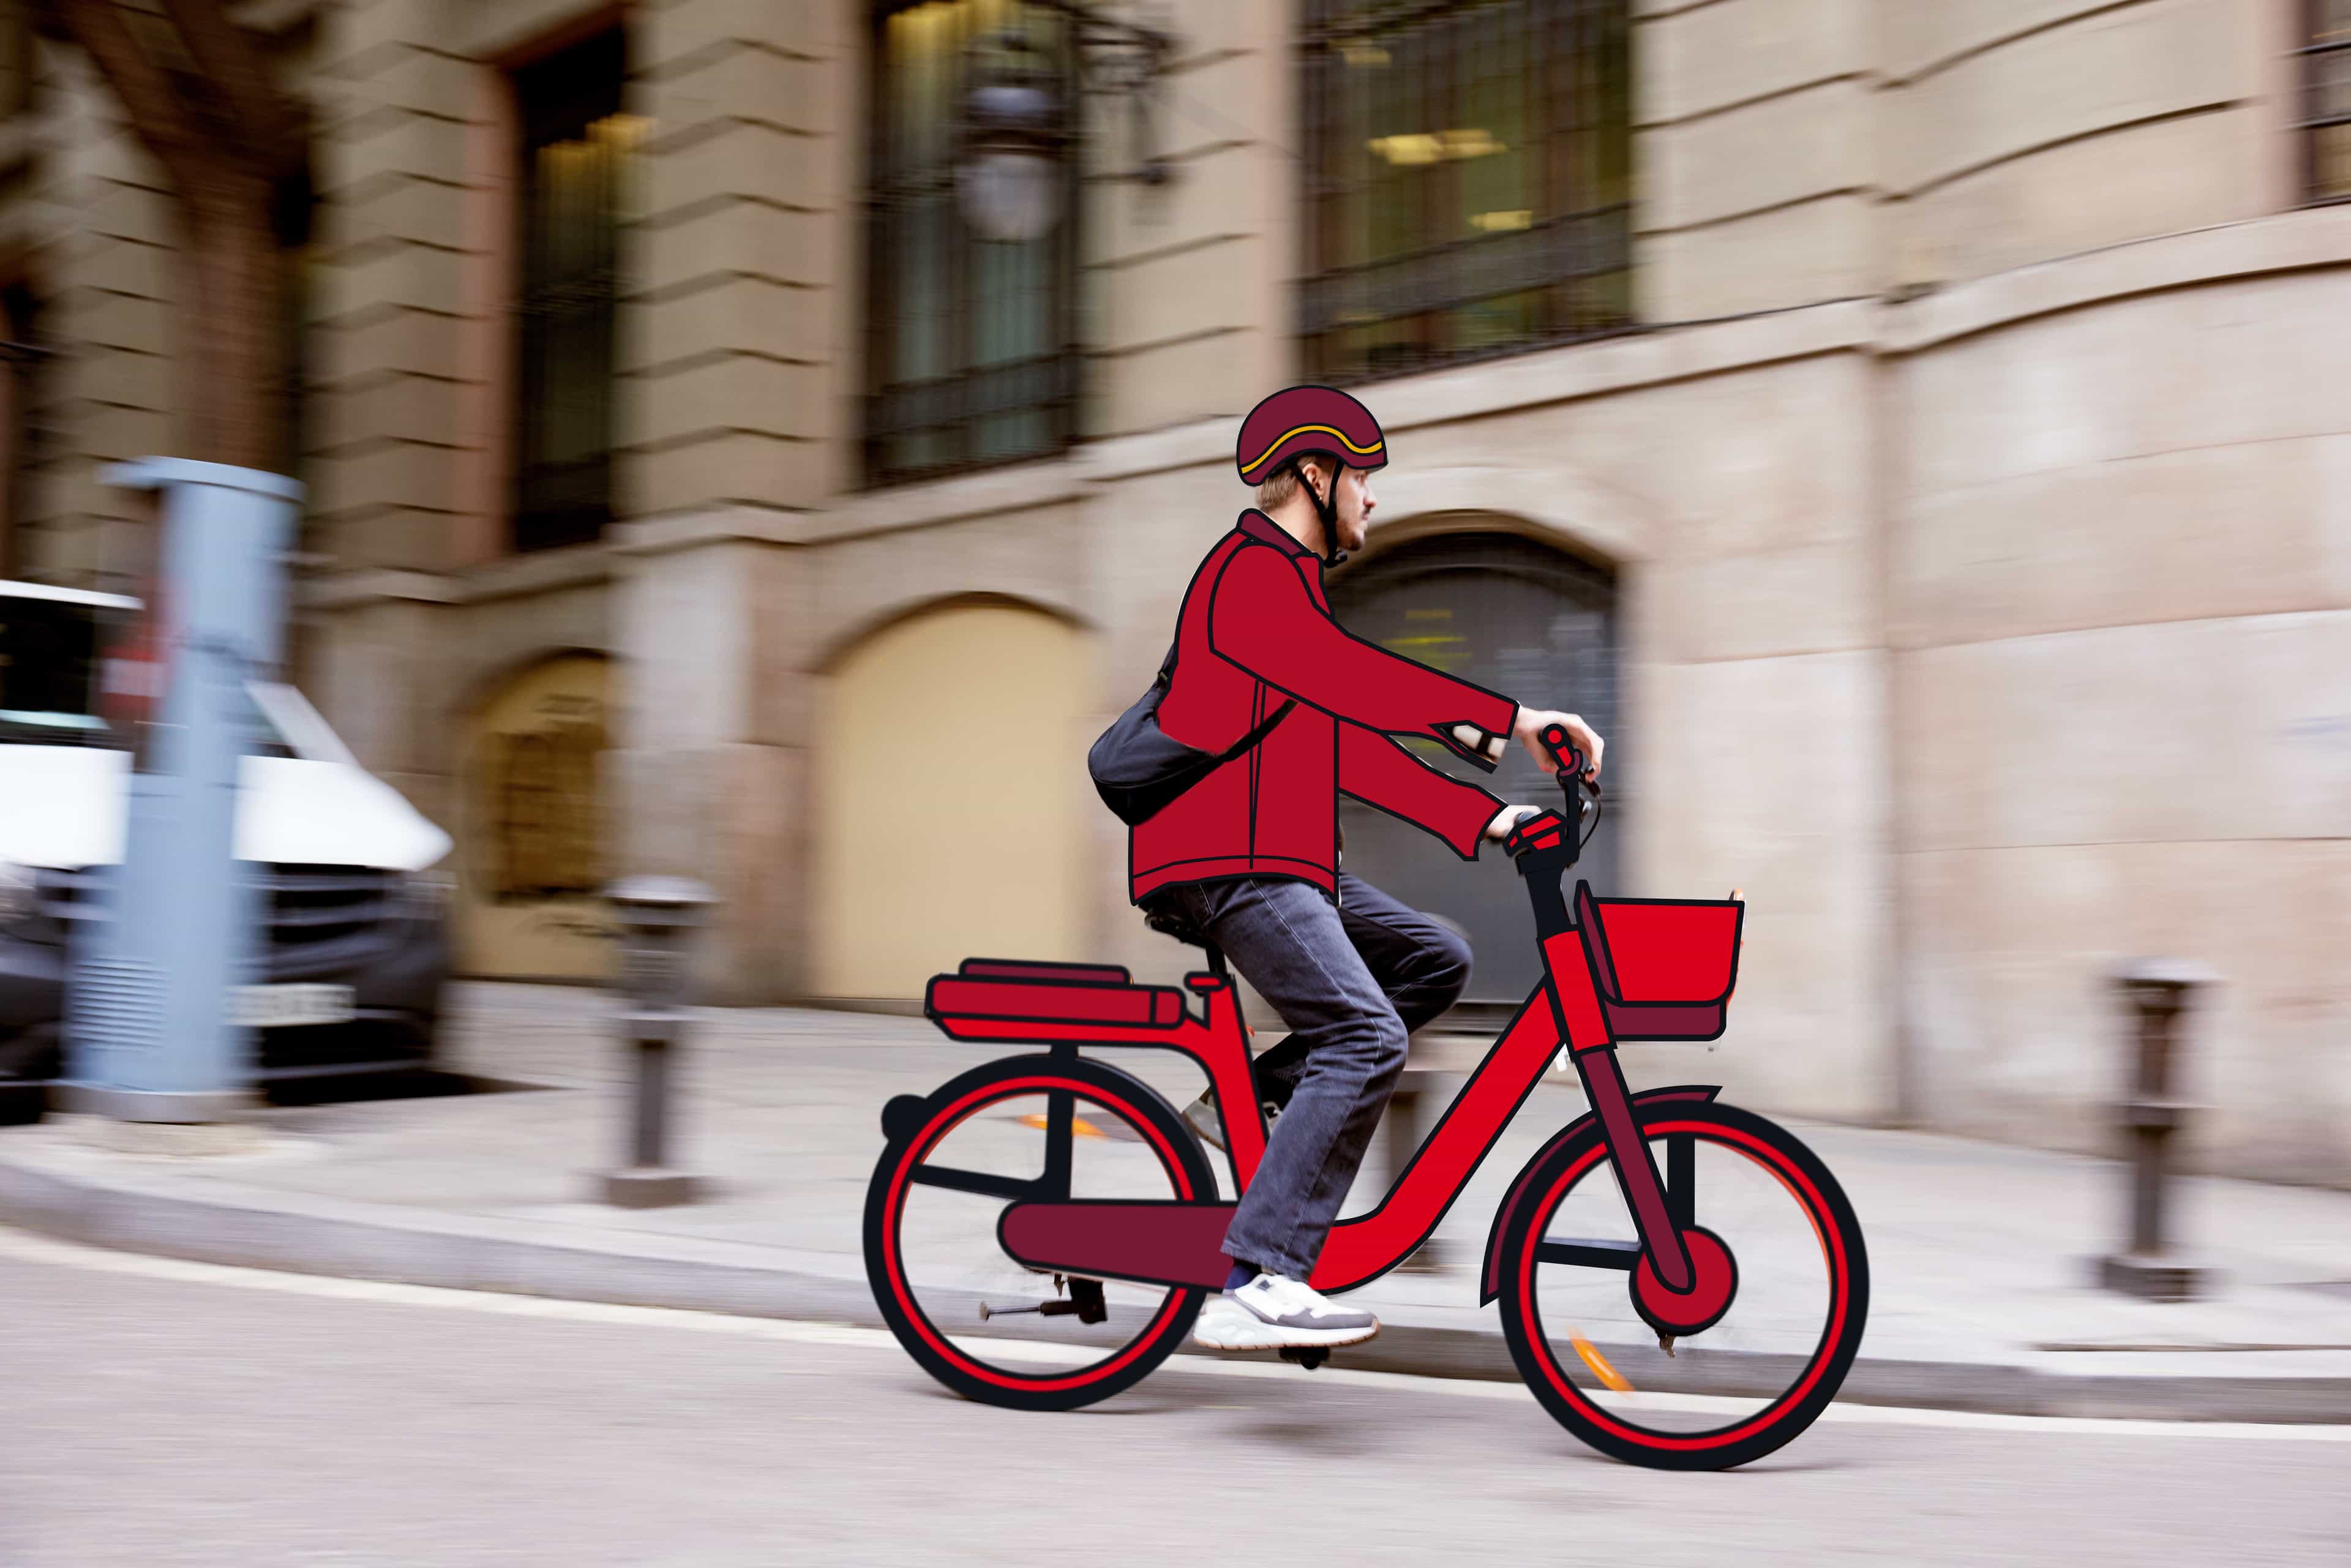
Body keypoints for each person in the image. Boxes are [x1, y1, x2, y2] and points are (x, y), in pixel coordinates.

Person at [1133, 384, 1604, 1353]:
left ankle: (1253, 1102)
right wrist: (1517, 719)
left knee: (1436, 956)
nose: (1373, 500)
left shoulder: (1291, 591)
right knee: (1364, 1032)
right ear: (1315, 474)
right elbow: (1356, 681)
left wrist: (1487, 815)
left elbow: (1346, 742)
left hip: (1288, 861)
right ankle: (1264, 1273)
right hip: (1233, 860)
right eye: (1364, 480)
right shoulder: (1247, 576)